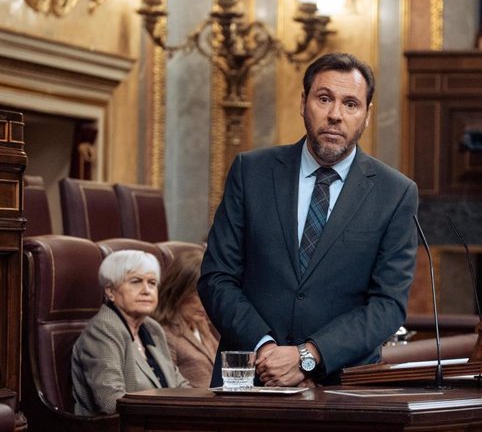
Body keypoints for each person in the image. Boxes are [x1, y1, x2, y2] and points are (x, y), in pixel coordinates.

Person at [198, 52, 419, 388]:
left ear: (367, 115)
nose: (335, 115)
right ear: (303, 102)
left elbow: (387, 305)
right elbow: (216, 277)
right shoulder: (251, 172)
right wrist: (265, 348)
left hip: (341, 386)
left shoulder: (395, 193)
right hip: (250, 379)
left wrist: (308, 354)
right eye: (324, 98)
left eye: (350, 104)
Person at [72, 250, 189, 415]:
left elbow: (178, 385)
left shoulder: (152, 328)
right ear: (110, 291)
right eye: (136, 281)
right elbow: (110, 401)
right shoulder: (103, 330)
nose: (146, 290)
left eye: (152, 283)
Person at [153, 249, 219, 388]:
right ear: (179, 291)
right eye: (199, 295)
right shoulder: (163, 333)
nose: (207, 302)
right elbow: (168, 386)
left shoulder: (201, 324)